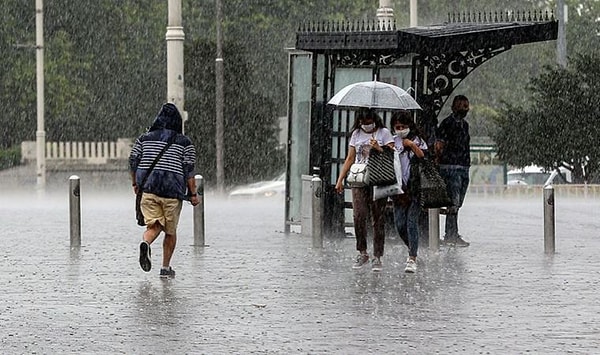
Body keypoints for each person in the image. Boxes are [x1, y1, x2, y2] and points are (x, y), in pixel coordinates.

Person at [129, 103, 200, 278]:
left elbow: (133, 161)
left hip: (149, 189)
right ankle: (165, 268)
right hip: (172, 192)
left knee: (154, 225)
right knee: (170, 231)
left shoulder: (144, 139)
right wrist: (193, 194)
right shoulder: (185, 143)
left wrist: (135, 183)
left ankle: (146, 242)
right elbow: (188, 171)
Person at [335, 108, 394, 272]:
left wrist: (379, 148)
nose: (366, 126)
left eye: (368, 122)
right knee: (359, 215)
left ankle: (377, 255)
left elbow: (392, 154)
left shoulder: (384, 133)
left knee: (377, 217)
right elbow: (350, 157)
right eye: (363, 123)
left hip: (378, 178)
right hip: (360, 178)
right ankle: (362, 251)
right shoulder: (356, 134)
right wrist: (340, 179)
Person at [390, 111, 427, 273]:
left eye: (403, 127)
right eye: (397, 127)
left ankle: (412, 257)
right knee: (400, 224)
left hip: (415, 188)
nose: (400, 129)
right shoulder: (392, 141)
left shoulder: (417, 140)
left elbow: (423, 156)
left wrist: (411, 145)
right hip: (398, 189)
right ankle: (413, 247)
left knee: (411, 222)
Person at [435, 95, 471, 247]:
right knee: (453, 202)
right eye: (461, 105)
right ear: (453, 107)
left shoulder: (465, 125)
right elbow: (439, 145)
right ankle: (451, 234)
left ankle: (452, 232)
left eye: (466, 105)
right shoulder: (447, 124)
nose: (464, 108)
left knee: (458, 201)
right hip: (450, 167)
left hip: (463, 166)